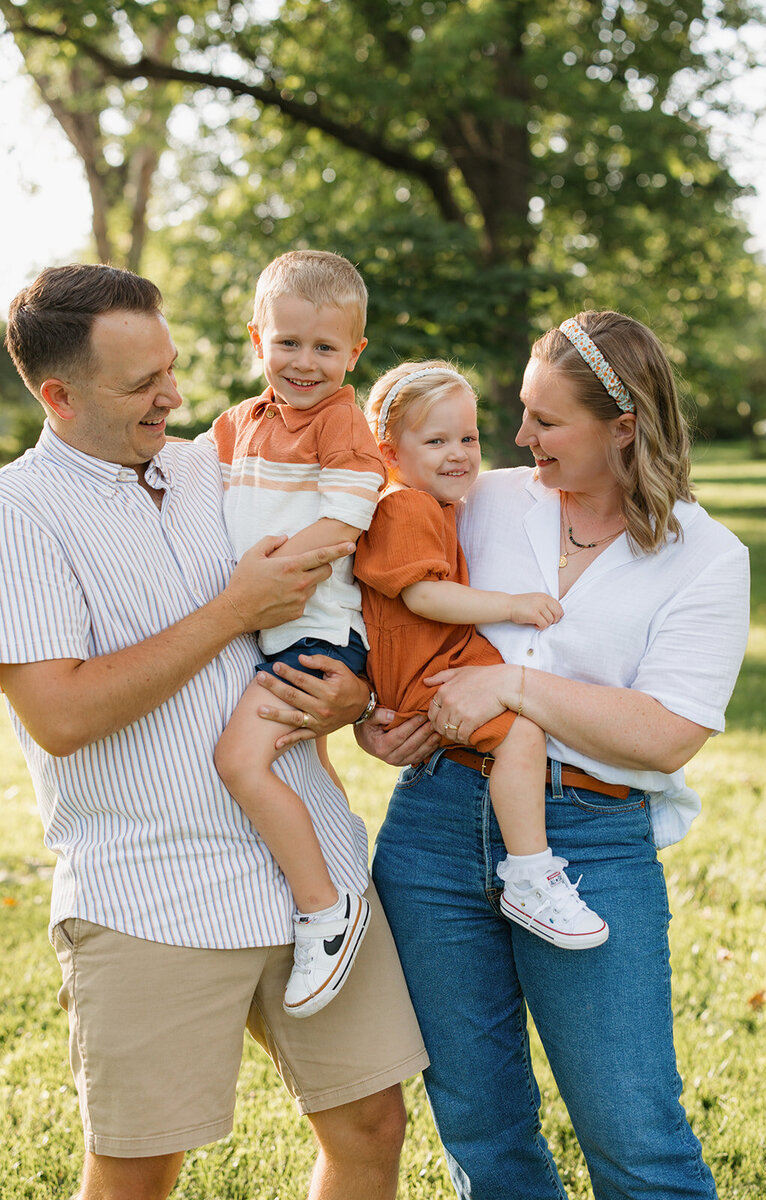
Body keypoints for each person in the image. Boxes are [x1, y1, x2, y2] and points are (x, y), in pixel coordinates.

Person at [0, 263, 427, 1200]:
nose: (177, 395)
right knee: (138, 1170)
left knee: (370, 1125)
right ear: (58, 394)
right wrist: (233, 610)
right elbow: (61, 716)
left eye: (175, 366)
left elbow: (332, 593)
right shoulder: (18, 512)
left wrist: (349, 692)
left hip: (314, 874)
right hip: (151, 891)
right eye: (143, 383)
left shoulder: (221, 463)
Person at [351, 312, 750, 1199]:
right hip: (434, 827)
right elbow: (389, 601)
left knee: (633, 1131)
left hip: (590, 842)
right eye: (522, 415)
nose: (520, 437)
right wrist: (373, 719)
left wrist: (514, 691)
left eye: (546, 420)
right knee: (479, 1124)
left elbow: (670, 730)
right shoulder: (480, 495)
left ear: (623, 426)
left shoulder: (706, 558)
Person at [353, 360, 608, 948]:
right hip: (426, 668)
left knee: (522, 715)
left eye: (467, 437)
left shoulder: (437, 505)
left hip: (439, 658)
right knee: (520, 732)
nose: (459, 453)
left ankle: (525, 865)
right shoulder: (407, 507)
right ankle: (529, 872)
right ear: (389, 450)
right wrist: (512, 605)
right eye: (436, 439)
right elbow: (423, 594)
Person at [209, 250, 386, 1018]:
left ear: (355, 354)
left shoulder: (343, 422)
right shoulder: (233, 427)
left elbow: (345, 519)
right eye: (288, 343)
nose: (304, 363)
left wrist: (259, 585)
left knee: (240, 761)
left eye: (325, 347)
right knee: (306, 771)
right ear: (256, 338)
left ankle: (323, 910)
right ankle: (341, 874)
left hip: (314, 635)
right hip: (271, 632)